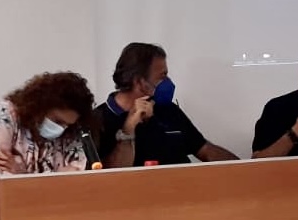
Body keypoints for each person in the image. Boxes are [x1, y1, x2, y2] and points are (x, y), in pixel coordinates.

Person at [95, 43, 237, 167]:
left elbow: (204, 149)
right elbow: (109, 178)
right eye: (162, 76)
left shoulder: (167, 110)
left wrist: (245, 167)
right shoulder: (98, 120)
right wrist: (128, 130)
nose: (168, 81)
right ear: (139, 82)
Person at [0, 71, 97, 174]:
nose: (61, 128)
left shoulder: (73, 132)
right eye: (57, 121)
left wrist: (22, 174)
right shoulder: (6, 114)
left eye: (67, 125)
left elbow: (73, 179)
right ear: (41, 106)